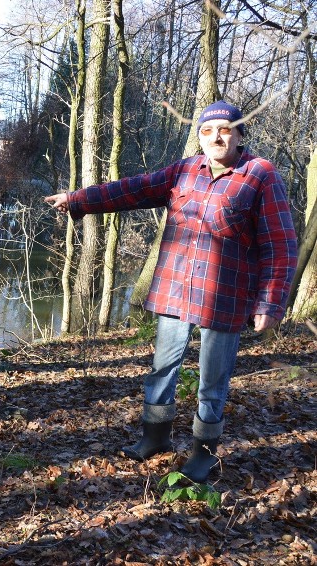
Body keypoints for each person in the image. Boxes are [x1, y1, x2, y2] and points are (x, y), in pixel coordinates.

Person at [45, 101, 298, 482]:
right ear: (199, 137)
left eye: (225, 129)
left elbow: (280, 244)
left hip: (224, 298)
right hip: (175, 291)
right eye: (208, 130)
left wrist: (270, 301)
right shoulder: (184, 171)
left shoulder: (259, 175)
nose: (216, 136)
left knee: (213, 381)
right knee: (161, 370)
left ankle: (203, 453)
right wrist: (78, 199)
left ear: (240, 134)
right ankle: (155, 438)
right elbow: (131, 190)